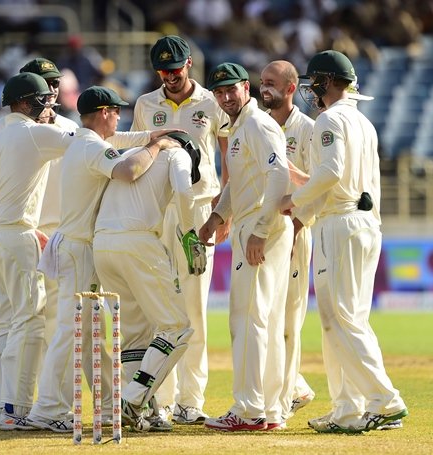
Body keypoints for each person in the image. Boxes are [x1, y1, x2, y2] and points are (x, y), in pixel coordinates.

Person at [26, 86, 182, 433]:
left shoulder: (86, 141)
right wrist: (155, 146)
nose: (119, 117)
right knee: (71, 332)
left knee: (83, 335)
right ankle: (48, 408)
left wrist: (150, 135)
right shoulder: (91, 146)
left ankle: (115, 403)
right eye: (116, 111)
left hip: (78, 246)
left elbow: (121, 140)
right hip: (79, 248)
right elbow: (128, 170)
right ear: (103, 112)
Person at [280, 50, 408, 433]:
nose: (311, 91)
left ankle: (386, 401)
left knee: (342, 319)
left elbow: (331, 173)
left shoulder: (329, 119)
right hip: (362, 222)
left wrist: (294, 200)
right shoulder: (362, 122)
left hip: (342, 224)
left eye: (314, 82)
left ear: (326, 82)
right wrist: (303, 200)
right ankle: (348, 409)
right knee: (342, 321)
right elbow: (335, 176)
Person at [130, 34, 230, 426]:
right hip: (158, 212)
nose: (169, 77)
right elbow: (138, 157)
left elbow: (228, 160)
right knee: (161, 308)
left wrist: (224, 213)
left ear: (189, 64)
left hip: (199, 209)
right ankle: (161, 400)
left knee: (193, 309)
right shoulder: (145, 104)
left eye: (175, 69)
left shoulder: (210, 103)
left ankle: (191, 399)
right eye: (162, 71)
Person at [0, 72, 77, 430]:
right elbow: (88, 141)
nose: (48, 105)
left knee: (6, 320)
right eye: (42, 100)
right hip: (18, 238)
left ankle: (2, 408)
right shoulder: (34, 133)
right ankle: (15, 410)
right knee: (29, 321)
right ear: (23, 103)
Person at [18, 57, 116, 425]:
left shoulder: (69, 129)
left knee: (81, 328)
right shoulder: (20, 131)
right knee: (54, 329)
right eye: (45, 83)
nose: (52, 89)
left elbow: (108, 139)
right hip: (45, 236)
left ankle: (107, 404)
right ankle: (40, 407)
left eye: (55, 82)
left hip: (63, 236)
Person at [199, 62, 293, 432]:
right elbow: (239, 186)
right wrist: (216, 219)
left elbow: (280, 174)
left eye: (230, 90)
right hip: (253, 224)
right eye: (218, 93)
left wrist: (260, 230)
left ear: (246, 88)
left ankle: (249, 409)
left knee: (248, 318)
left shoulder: (256, 123)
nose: (225, 97)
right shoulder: (239, 128)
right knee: (262, 321)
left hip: (261, 228)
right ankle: (268, 409)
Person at [93, 132, 206, 433]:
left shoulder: (134, 156)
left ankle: (148, 412)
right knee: (177, 328)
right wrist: (190, 233)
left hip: (102, 244)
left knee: (135, 335)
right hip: (138, 242)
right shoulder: (177, 153)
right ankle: (132, 400)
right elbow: (183, 190)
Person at [259, 60, 316, 421]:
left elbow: (317, 183)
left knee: (288, 322)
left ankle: (282, 402)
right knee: (264, 317)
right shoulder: (257, 124)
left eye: (271, 83)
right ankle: (292, 388)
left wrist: (297, 225)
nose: (264, 89)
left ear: (291, 88)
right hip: (263, 233)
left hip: (294, 233)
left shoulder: (308, 130)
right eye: (262, 82)